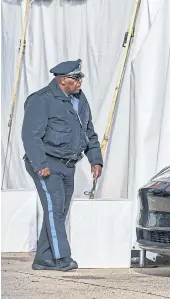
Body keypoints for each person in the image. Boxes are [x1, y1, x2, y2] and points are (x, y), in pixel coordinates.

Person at [21, 59, 103, 272]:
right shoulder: (41, 100)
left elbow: (89, 132)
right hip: (47, 162)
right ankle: (61, 258)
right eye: (76, 79)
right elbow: (31, 136)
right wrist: (40, 164)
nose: (79, 82)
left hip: (68, 164)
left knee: (58, 210)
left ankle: (43, 258)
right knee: (54, 208)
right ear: (62, 80)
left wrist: (95, 159)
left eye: (80, 78)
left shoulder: (80, 100)